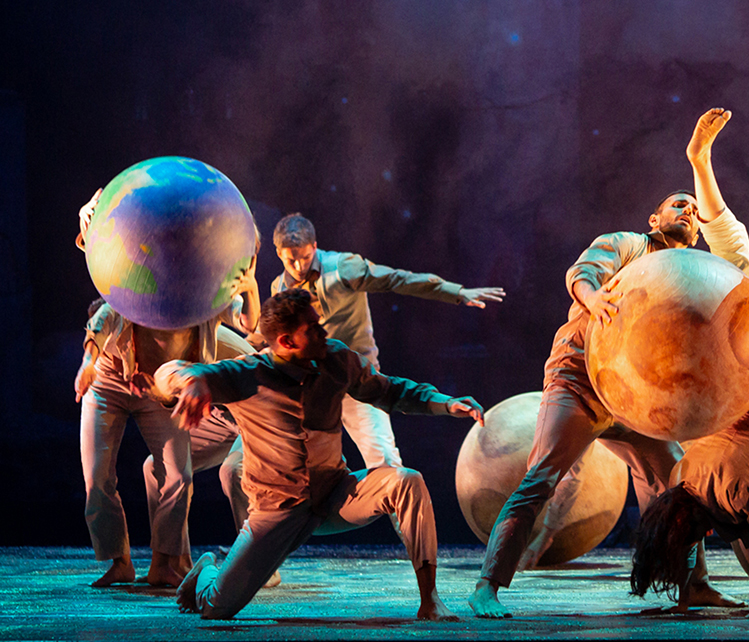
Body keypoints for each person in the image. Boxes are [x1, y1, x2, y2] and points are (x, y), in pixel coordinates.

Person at [468, 108, 749, 617]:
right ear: (655, 219)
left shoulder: (690, 272)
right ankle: (487, 586)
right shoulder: (633, 246)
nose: (689, 211)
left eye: (695, 210)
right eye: (679, 204)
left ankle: (692, 585)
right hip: (582, 382)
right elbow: (584, 270)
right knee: (541, 479)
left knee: (680, 485)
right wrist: (592, 297)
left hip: (638, 404)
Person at [154, 288, 482, 620]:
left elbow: (389, 390)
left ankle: (430, 600)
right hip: (277, 511)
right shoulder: (247, 374)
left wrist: (444, 403)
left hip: (334, 496)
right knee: (215, 608)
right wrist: (192, 379)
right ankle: (206, 572)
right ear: (286, 341)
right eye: (312, 329)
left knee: (406, 481)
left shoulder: (336, 359)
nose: (323, 332)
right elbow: (167, 374)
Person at [629, 123, 749, 618]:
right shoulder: (680, 475)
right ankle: (702, 163)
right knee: (735, 258)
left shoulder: (732, 495)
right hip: (735, 374)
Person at [74, 192, 260, 588]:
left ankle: (164, 563)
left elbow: (248, 324)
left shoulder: (204, 296)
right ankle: (119, 561)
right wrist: (88, 364)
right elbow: (103, 317)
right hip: (109, 379)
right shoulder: (136, 285)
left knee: (178, 475)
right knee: (97, 478)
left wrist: (251, 284)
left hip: (158, 388)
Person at [270, 213, 504, 471]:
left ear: (314, 247)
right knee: (291, 467)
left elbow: (396, 278)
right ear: (279, 254)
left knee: (386, 464)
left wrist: (456, 292)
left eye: (305, 257)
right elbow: (267, 339)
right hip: (312, 388)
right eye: (291, 260)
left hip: (358, 379)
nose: (299, 266)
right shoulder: (279, 290)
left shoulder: (343, 267)